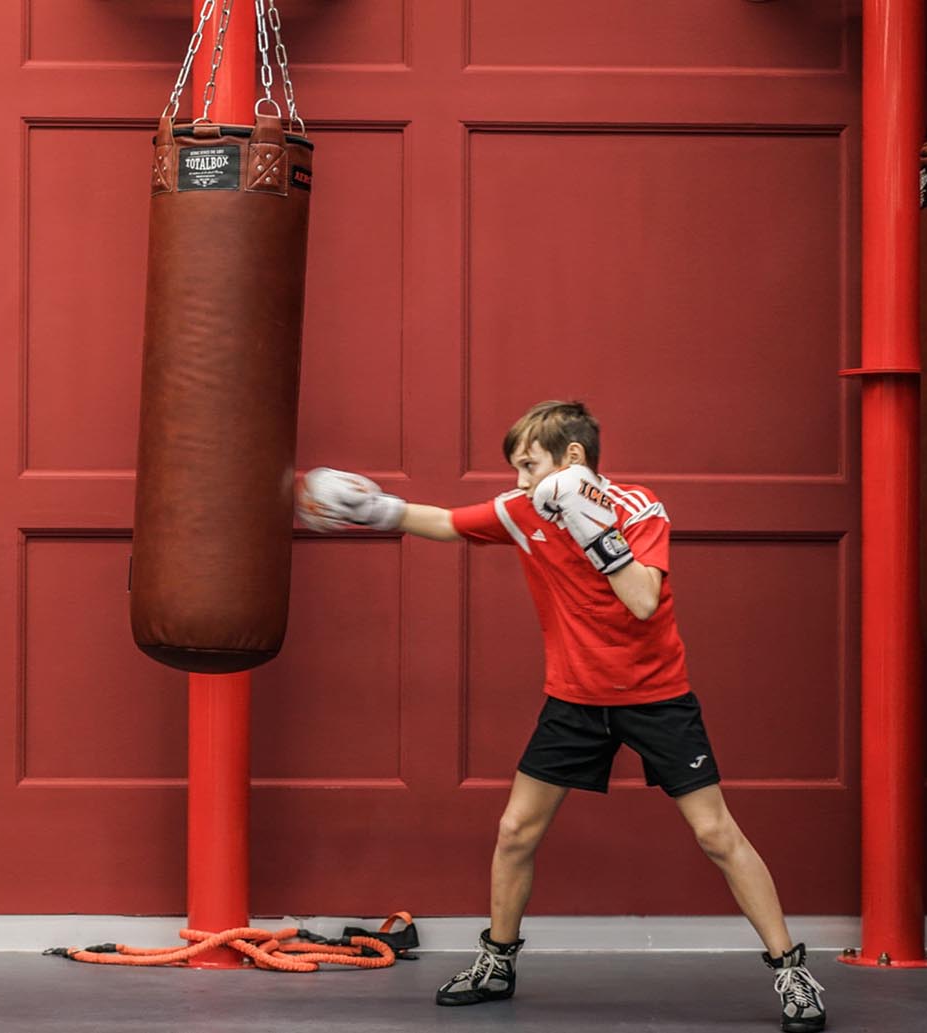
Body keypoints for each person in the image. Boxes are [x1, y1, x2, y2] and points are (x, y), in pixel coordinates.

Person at [298, 399, 827, 1033]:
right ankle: (497, 963)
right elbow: (444, 520)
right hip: (574, 700)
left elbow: (641, 600)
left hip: (657, 698)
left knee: (717, 835)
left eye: (528, 465)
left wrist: (587, 527)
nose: (519, 482)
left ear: (571, 458)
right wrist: (374, 509)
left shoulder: (639, 510)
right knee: (516, 831)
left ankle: (790, 967)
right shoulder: (524, 512)